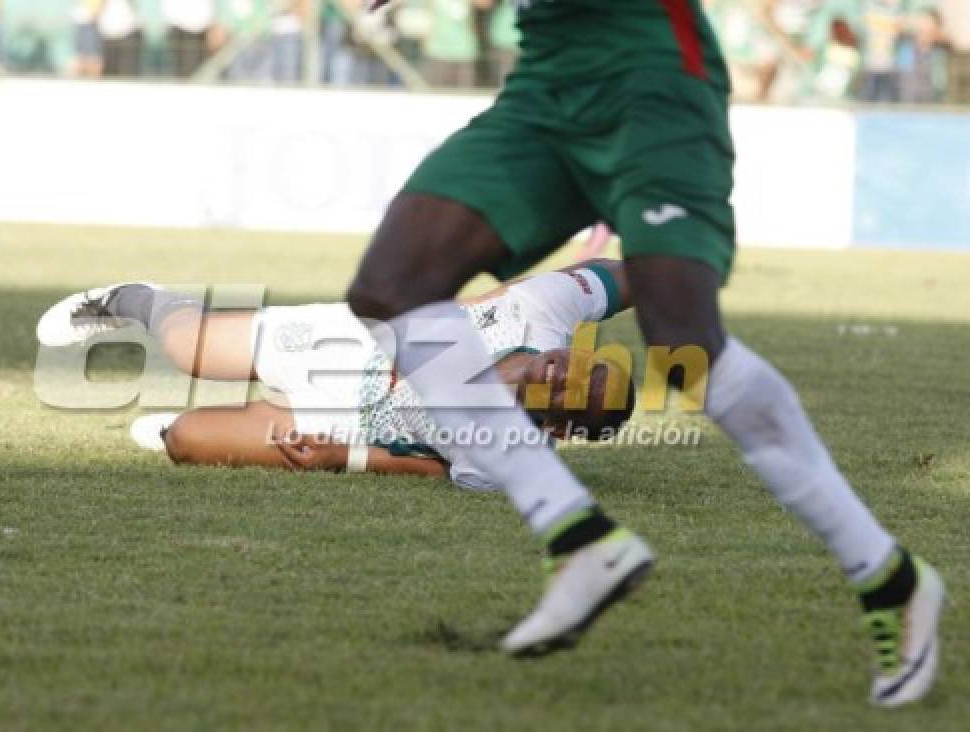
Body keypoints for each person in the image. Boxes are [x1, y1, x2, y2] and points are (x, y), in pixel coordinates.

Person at [348, 0, 942, 706]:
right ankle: (577, 534)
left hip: (653, 76)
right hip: (548, 80)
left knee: (682, 338)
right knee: (391, 288)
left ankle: (891, 579)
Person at [37, 258, 635, 483]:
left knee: (187, 439)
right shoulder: (546, 310)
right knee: (193, 350)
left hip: (350, 419)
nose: (566, 373)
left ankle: (203, 423)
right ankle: (131, 297)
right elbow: (622, 275)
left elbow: (432, 468)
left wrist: (342, 457)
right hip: (350, 343)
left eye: (575, 395)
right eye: (587, 365)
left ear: (559, 429)